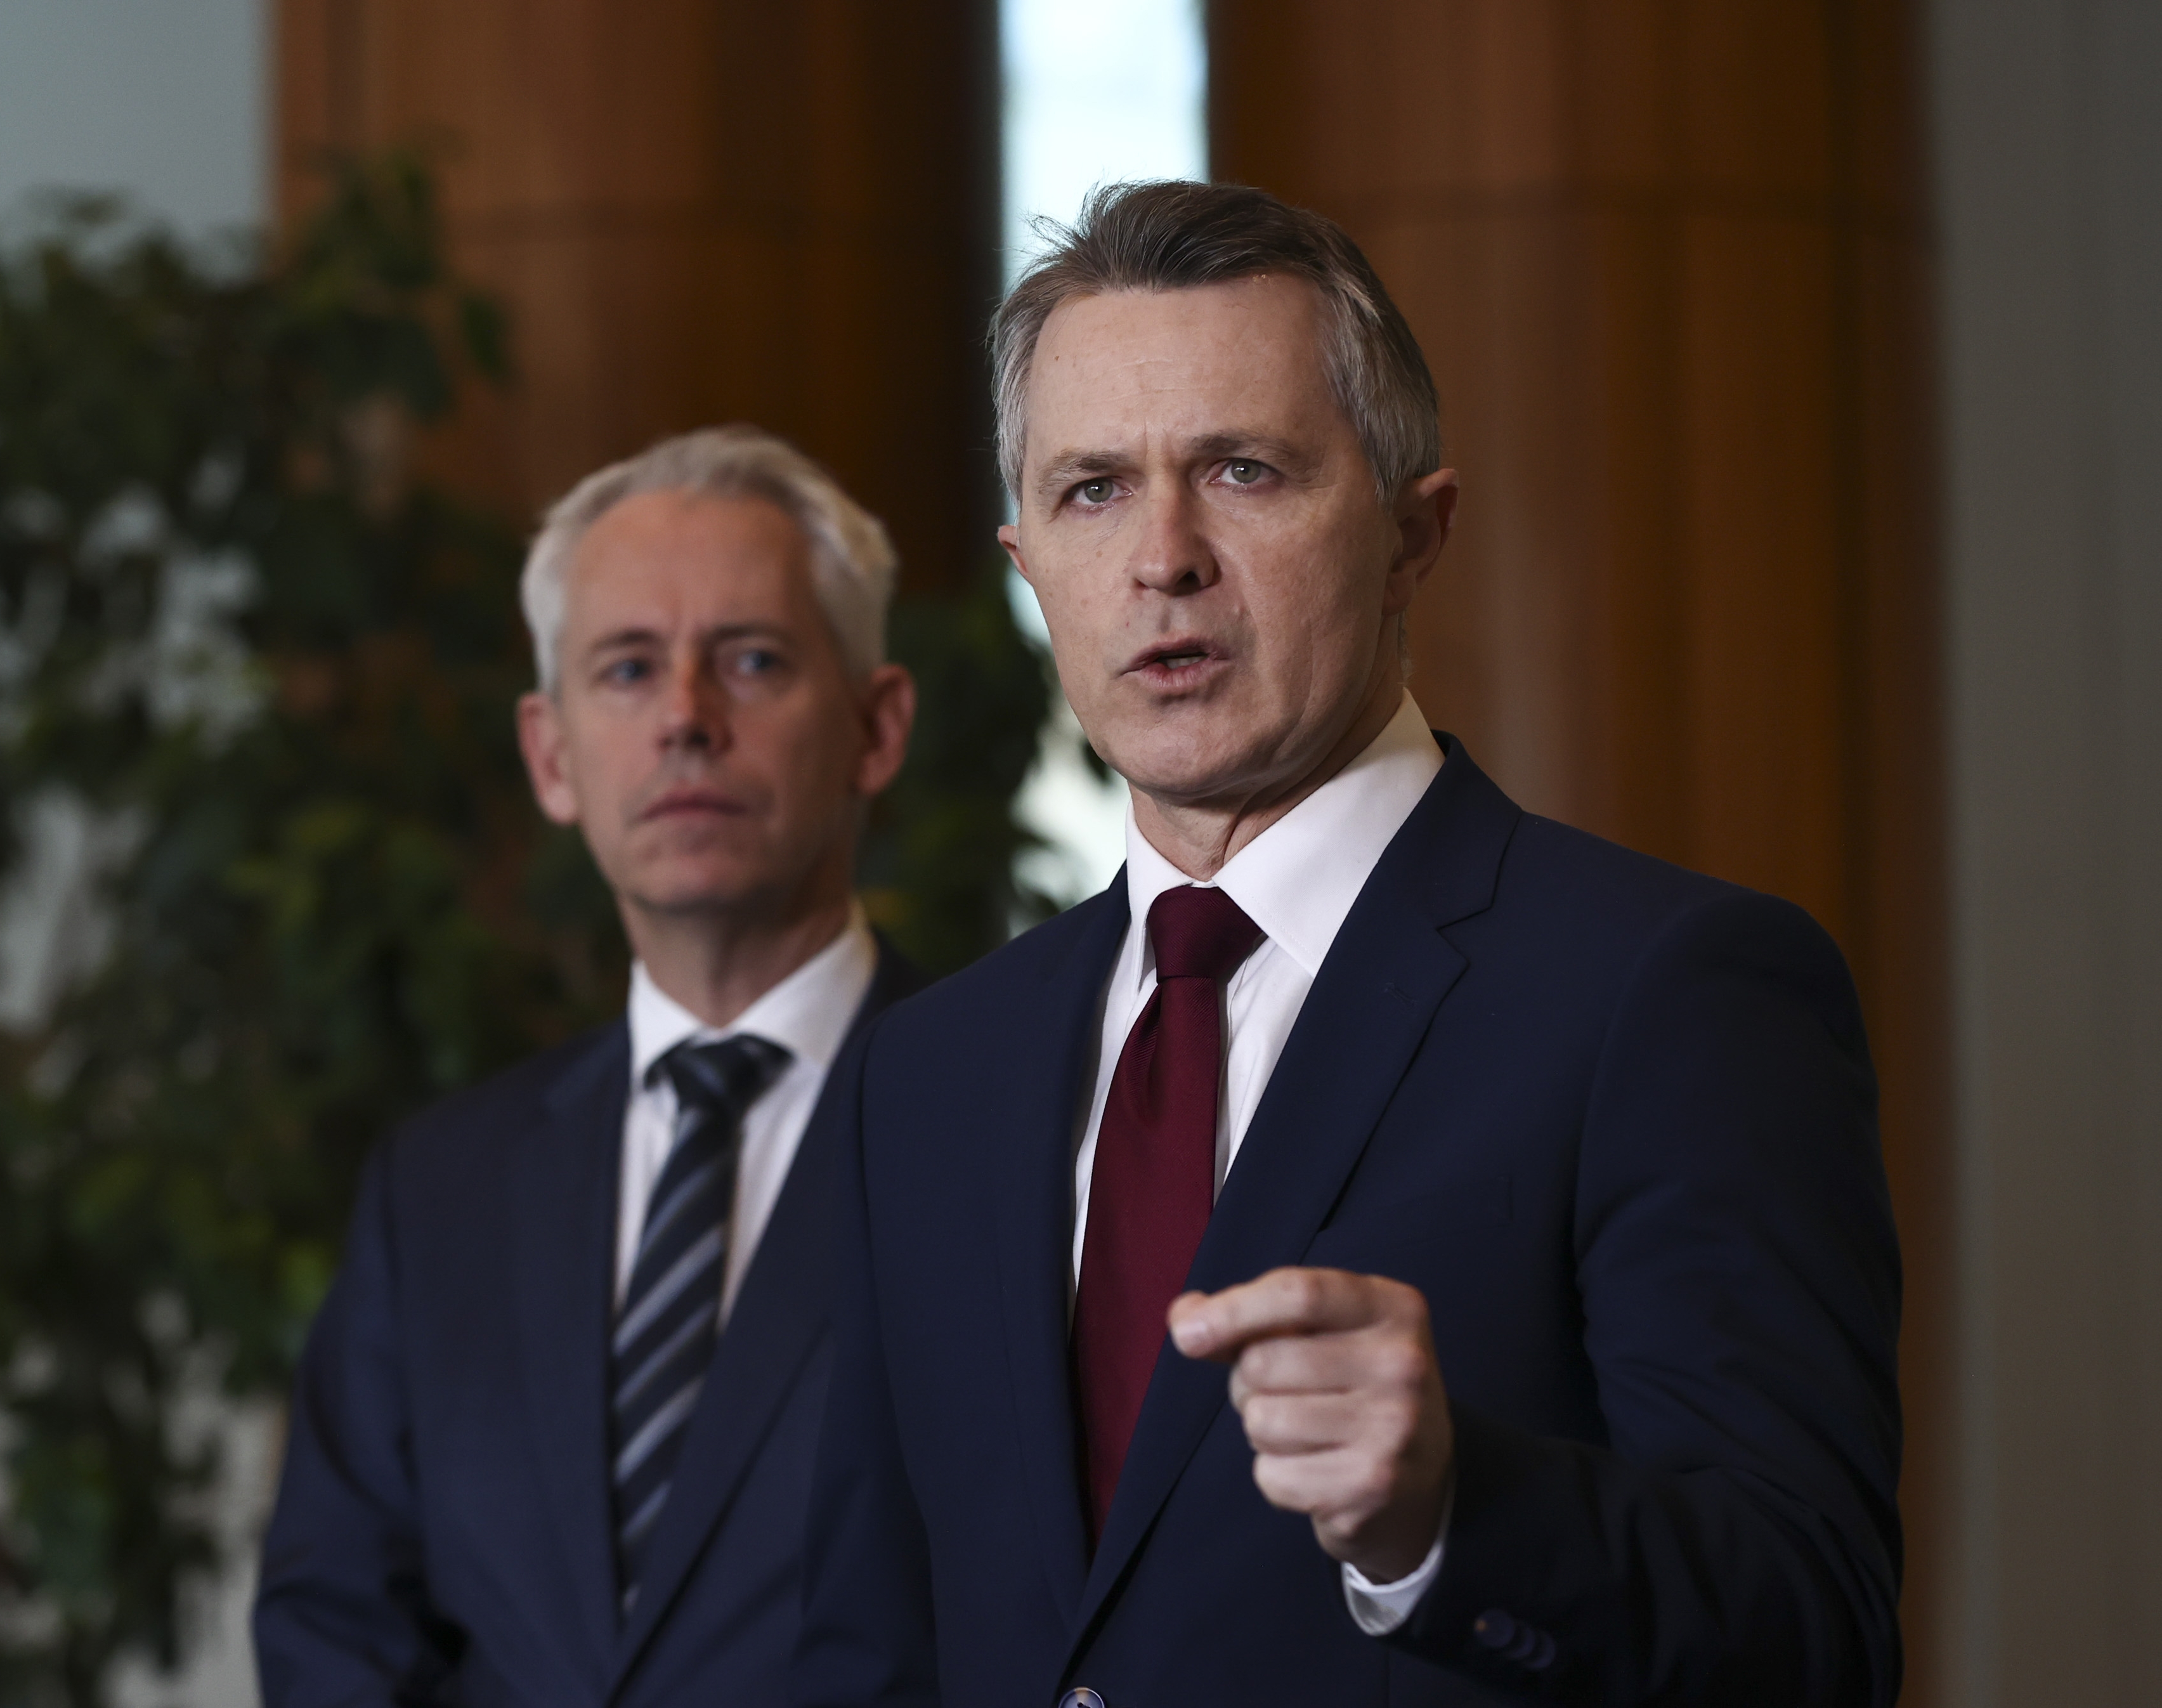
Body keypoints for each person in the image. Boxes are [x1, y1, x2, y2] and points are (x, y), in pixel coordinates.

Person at [797, 182, 1901, 1707]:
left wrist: (1453, 1518)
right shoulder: (928, 1070)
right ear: (1025, 561)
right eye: (1093, 490)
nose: (1163, 557)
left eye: (1242, 471)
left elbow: (1812, 1627)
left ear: (1412, 533)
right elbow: (867, 1649)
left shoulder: (1670, 993)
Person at [256, 425, 925, 1705]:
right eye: (626, 668)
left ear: (875, 727)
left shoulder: (1020, 1129)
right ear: (551, 756)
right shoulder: (436, 1187)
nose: (685, 718)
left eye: (752, 659)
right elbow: (336, 1628)